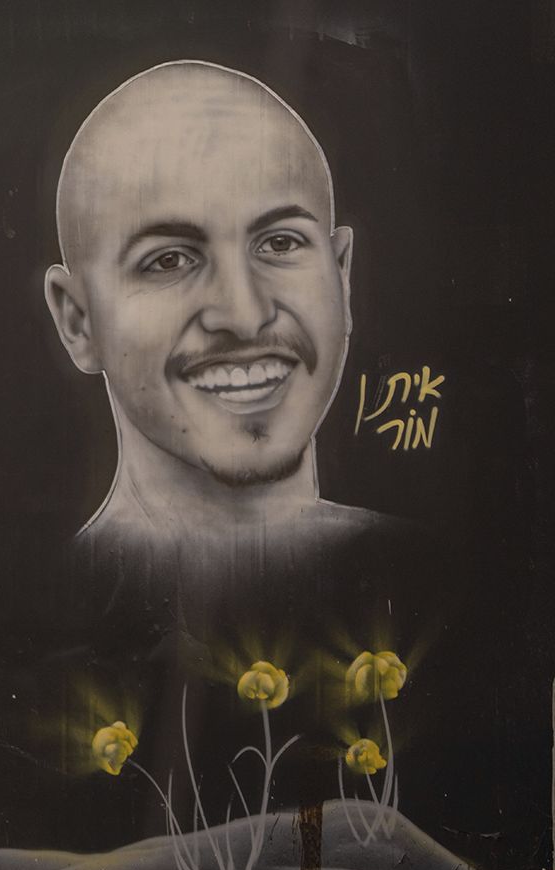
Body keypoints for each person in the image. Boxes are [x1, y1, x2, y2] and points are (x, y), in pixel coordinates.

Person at [41, 60, 398, 569]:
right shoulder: (30, 627)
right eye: (168, 260)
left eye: (279, 242)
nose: (246, 314)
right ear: (78, 321)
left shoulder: (450, 583)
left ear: (341, 277)